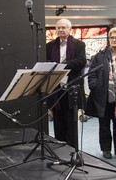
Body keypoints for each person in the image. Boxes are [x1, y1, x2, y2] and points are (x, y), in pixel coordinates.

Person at [86, 27, 116, 159]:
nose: (113, 40)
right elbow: (92, 74)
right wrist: (95, 87)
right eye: (111, 37)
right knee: (104, 124)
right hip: (105, 95)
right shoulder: (100, 55)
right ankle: (106, 149)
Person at [46, 18, 86, 147]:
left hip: (72, 87)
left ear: (70, 29)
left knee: (71, 120)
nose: (61, 30)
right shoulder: (50, 46)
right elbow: (46, 62)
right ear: (56, 30)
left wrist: (61, 65)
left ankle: (72, 148)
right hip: (55, 88)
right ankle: (60, 146)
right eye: (59, 28)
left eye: (64, 27)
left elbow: (81, 62)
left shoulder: (79, 44)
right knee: (58, 120)